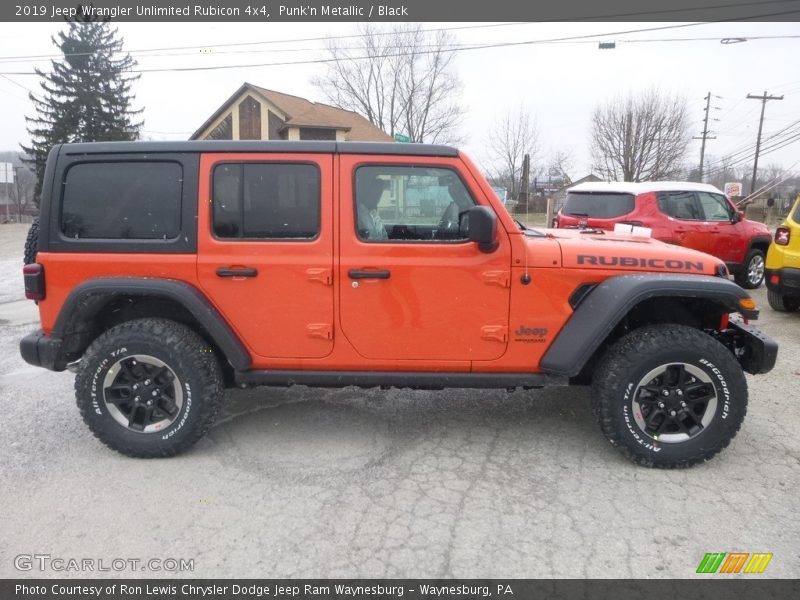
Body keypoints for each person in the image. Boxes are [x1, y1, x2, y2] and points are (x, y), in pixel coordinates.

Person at [357, 175, 389, 240]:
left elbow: (384, 236)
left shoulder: (374, 213)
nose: (379, 196)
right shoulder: (358, 214)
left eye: (380, 193)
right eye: (376, 192)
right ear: (367, 192)